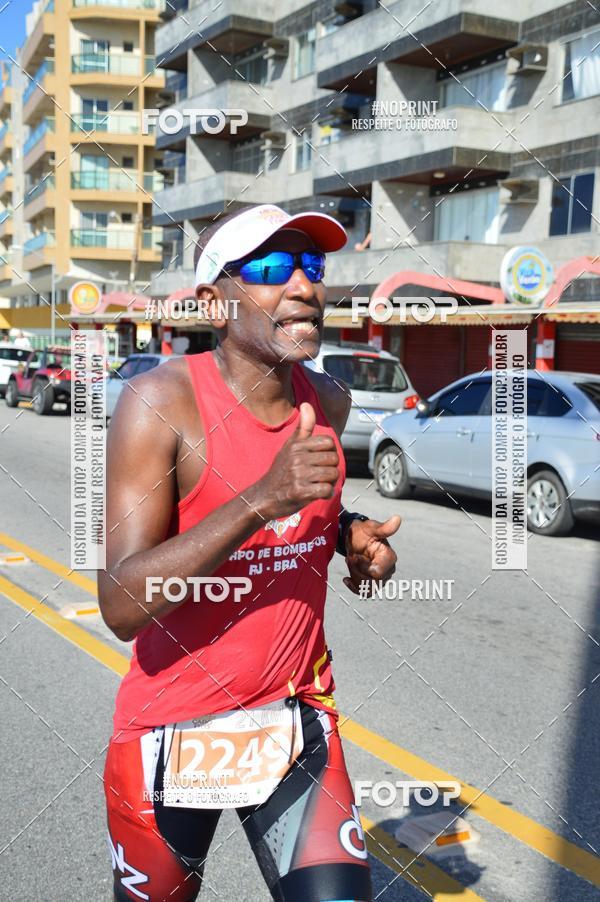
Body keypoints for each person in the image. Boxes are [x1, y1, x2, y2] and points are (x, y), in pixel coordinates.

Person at [99, 203, 401, 902]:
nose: (303, 285)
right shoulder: (158, 403)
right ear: (214, 303)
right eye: (269, 267)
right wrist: (261, 498)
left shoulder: (329, 400)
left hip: (294, 714)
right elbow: (120, 602)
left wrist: (348, 533)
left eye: (312, 265)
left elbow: (308, 509)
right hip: (173, 727)